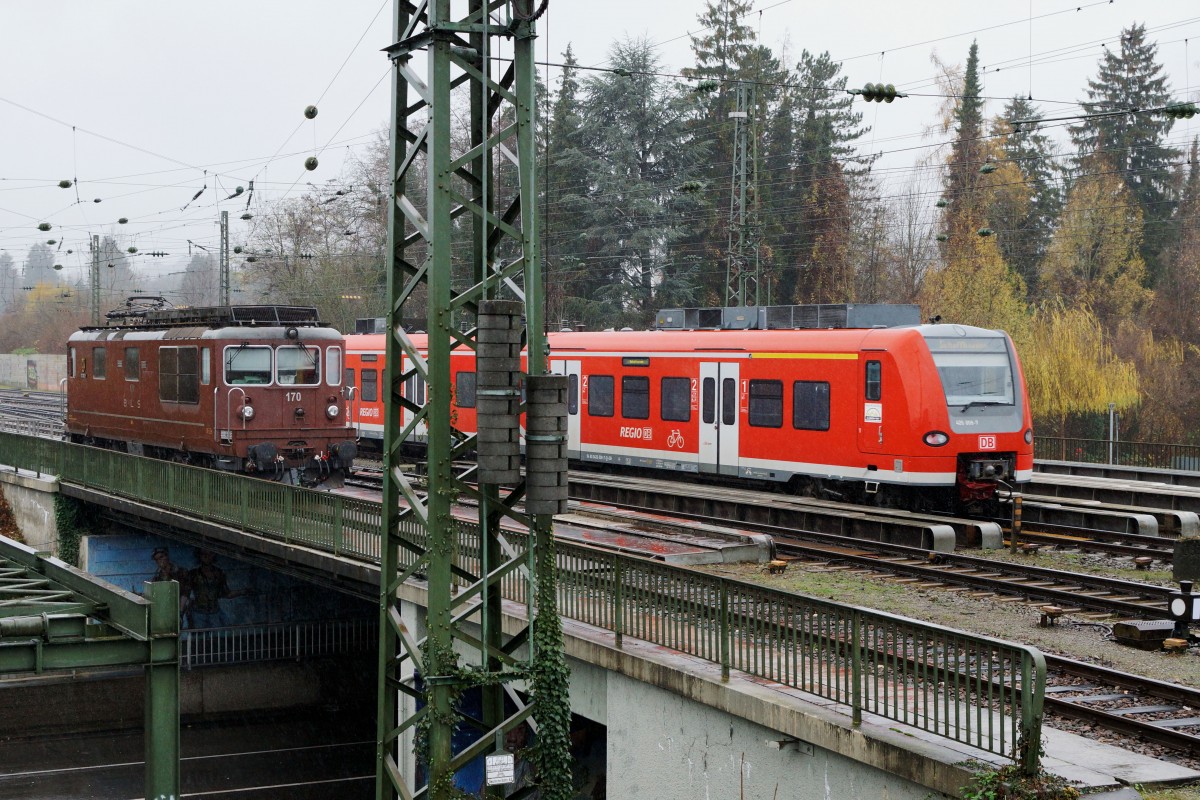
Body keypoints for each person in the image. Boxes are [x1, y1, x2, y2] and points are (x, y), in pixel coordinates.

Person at [187, 549, 246, 628]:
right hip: (198, 613)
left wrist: (243, 591)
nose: (206, 556)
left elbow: (226, 593)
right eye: (203, 554)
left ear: (213, 555)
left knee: (216, 637)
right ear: (199, 556)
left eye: (209, 554)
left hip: (214, 612)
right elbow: (187, 594)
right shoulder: (193, 574)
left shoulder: (219, 573)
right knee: (199, 637)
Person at [149, 546, 191, 624]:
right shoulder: (157, 577)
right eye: (157, 559)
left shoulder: (181, 572)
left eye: (161, 557)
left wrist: (180, 612)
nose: (159, 561)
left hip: (181, 611)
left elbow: (186, 592)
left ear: (167, 556)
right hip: (165, 613)